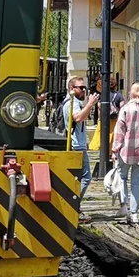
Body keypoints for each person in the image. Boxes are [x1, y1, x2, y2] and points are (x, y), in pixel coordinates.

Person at [111, 83, 139, 226]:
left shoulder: (126, 109)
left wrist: (115, 149)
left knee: (122, 177)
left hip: (126, 149)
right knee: (137, 182)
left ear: (131, 93)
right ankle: (134, 213)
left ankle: (124, 205)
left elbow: (120, 131)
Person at [60, 75, 98, 223]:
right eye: (80, 87)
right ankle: (73, 206)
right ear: (72, 88)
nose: (84, 90)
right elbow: (77, 118)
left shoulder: (72, 102)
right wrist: (90, 104)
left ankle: (73, 205)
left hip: (77, 143)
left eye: (84, 87)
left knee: (77, 178)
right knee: (85, 177)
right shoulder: (72, 103)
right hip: (76, 146)